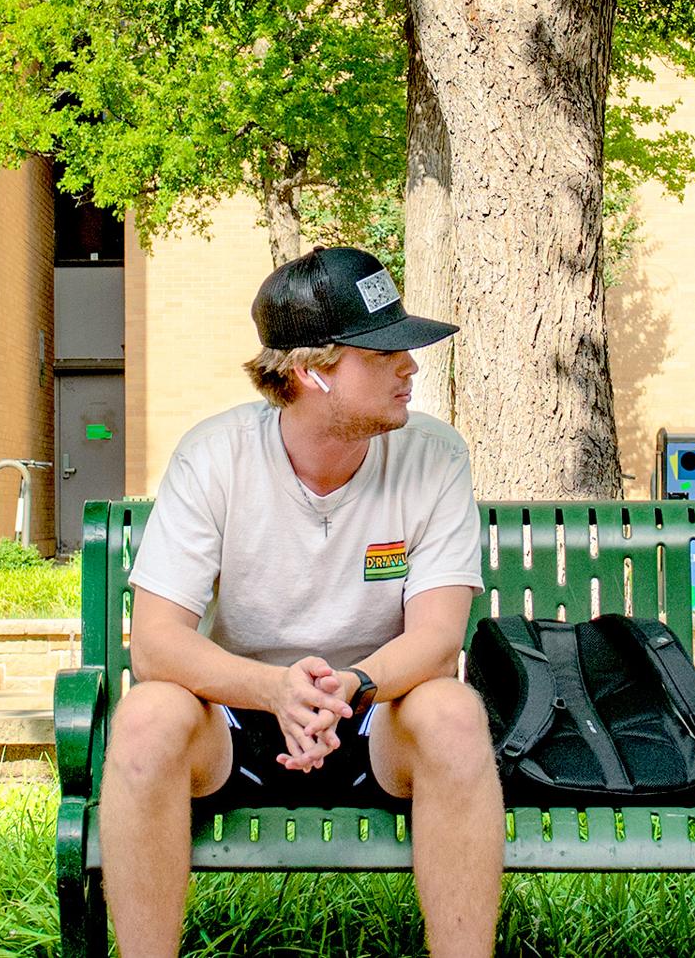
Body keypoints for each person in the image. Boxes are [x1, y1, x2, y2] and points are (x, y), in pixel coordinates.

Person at [100, 246, 503, 958]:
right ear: (312, 371)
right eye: (382, 354)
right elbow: (156, 642)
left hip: (380, 709)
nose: (410, 366)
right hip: (238, 716)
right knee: (144, 716)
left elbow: (439, 639)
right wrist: (274, 690)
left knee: (453, 711)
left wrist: (349, 686)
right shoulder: (214, 456)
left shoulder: (434, 456)